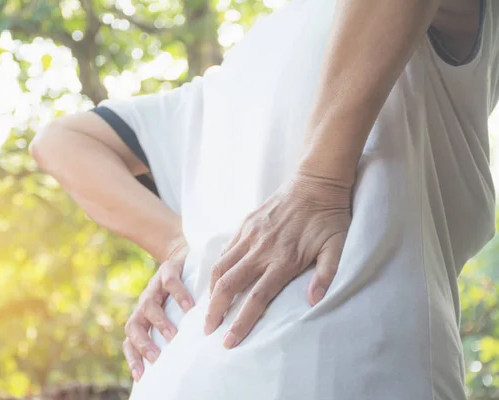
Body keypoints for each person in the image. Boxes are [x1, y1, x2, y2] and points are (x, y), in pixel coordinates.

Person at [29, 0, 499, 398]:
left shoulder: (223, 83)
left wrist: (317, 182)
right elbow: (57, 142)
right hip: (335, 368)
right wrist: (179, 244)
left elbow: (60, 140)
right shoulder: (229, 79)